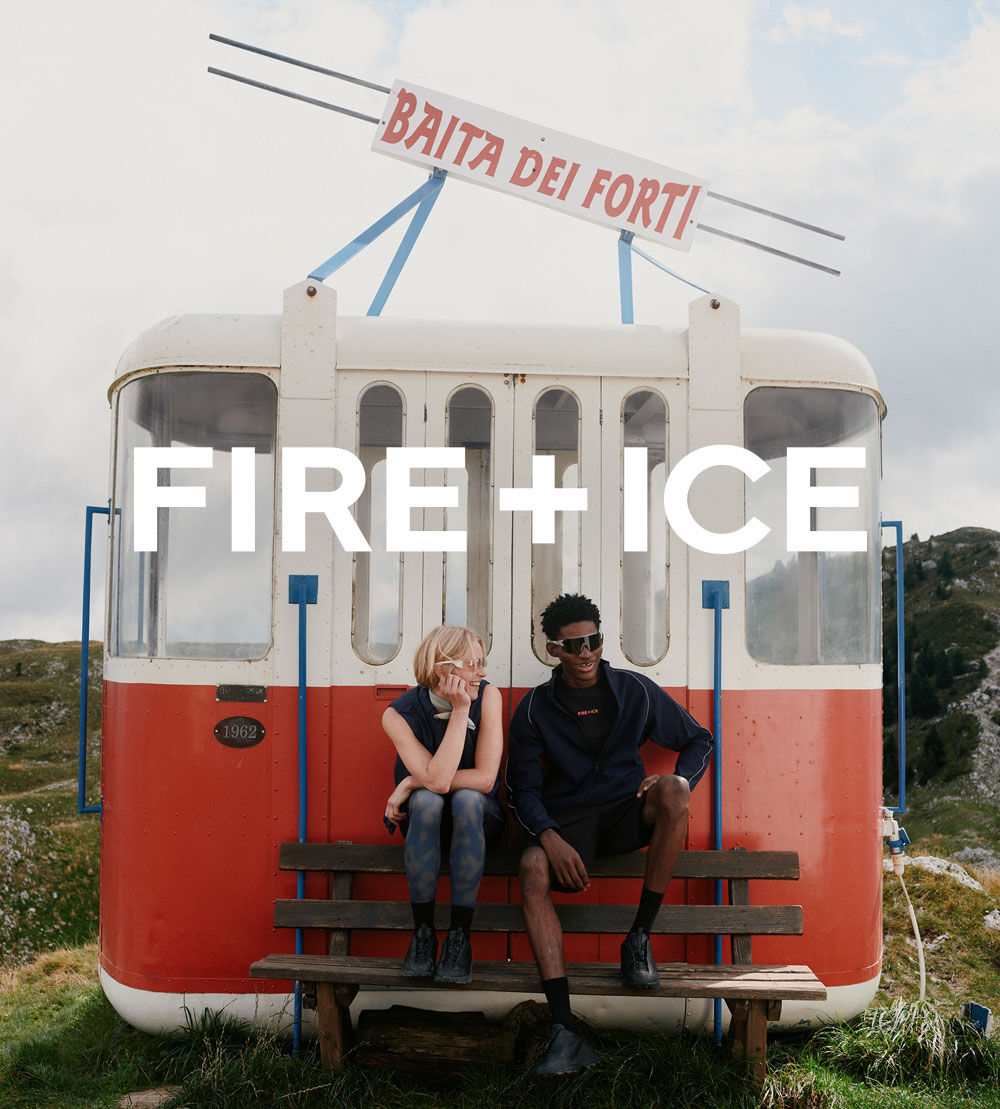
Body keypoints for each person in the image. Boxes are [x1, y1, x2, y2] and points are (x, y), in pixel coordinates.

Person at [507, 593, 713, 1076]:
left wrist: (662, 780)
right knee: (531, 864)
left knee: (676, 790)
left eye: (593, 641)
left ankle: (638, 937)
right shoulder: (534, 709)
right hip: (570, 823)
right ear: (553, 650)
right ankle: (564, 1030)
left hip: (626, 814)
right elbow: (520, 789)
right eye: (573, 645)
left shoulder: (637, 691)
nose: (586, 653)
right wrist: (550, 837)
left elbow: (699, 738)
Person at [382, 626, 505, 984]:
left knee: (465, 797)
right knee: (426, 801)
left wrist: (407, 780)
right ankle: (423, 936)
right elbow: (436, 782)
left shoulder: (488, 696)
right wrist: (459, 710)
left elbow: (484, 780)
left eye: (483, 663)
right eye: (473, 664)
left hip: (478, 821)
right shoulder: (398, 714)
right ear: (442, 670)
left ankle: (458, 938)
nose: (482, 673)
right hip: (425, 824)